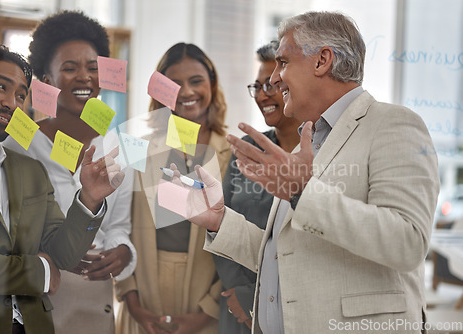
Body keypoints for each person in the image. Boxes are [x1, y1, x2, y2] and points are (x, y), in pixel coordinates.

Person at [171, 11, 439, 333]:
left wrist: (301, 191)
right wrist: (218, 220)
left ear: (322, 60)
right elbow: (287, 255)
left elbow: (407, 242)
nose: (273, 79)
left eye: (283, 62)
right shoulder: (306, 145)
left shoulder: (392, 124)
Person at [0, 45, 123, 334]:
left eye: (21, 95)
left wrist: (89, 198)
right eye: (1, 87)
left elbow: (62, 254)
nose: (11, 103)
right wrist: (43, 272)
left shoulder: (30, 170)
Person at [3, 11, 136, 334]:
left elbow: (119, 227)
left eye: (93, 68)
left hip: (94, 297)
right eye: (70, 68)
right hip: (35, 297)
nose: (85, 77)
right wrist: (49, 251)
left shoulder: (122, 149)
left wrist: (121, 252)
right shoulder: (19, 145)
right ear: (45, 82)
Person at [115, 43, 231, 334]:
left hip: (207, 304)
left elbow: (242, 241)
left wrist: (207, 313)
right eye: (175, 84)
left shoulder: (234, 153)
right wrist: (133, 304)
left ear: (212, 84)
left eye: (196, 81)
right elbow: (120, 226)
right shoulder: (137, 148)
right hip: (143, 299)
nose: (187, 92)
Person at [213, 41, 300, 333]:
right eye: (257, 86)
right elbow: (221, 218)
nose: (263, 95)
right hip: (239, 308)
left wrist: (258, 294)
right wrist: (241, 291)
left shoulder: (319, 153)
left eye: (272, 85)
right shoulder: (247, 148)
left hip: (294, 307)